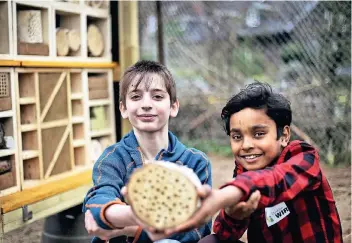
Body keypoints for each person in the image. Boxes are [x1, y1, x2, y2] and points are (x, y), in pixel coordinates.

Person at [166, 82, 342, 243]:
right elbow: (224, 233)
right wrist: (232, 214)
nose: (246, 145)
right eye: (237, 137)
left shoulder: (303, 156)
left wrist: (227, 194)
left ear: (284, 135)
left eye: (259, 134)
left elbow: (275, 179)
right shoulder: (244, 171)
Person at [82, 60, 212, 243]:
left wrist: (129, 229)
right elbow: (96, 205)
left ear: (173, 106)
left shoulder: (196, 162)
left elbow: (198, 231)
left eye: (157, 97)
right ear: (123, 108)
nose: (146, 104)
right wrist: (140, 214)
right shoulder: (112, 158)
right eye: (136, 97)